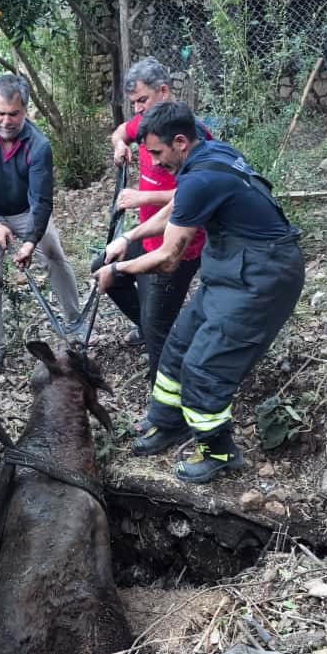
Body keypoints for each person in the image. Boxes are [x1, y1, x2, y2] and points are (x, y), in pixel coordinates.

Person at [94, 101, 304, 484]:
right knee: (177, 346)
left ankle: (219, 452)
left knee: (205, 368)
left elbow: (168, 258)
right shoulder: (206, 153)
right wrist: (128, 238)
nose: (154, 162)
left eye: (157, 152)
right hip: (231, 270)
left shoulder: (202, 177)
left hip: (264, 277)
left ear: (180, 142)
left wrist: (117, 270)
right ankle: (169, 422)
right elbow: (178, 207)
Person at [100, 57, 211, 412]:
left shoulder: (191, 137)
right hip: (146, 234)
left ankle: (164, 411)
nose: (137, 108)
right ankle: (152, 327)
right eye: (133, 102)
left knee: (158, 331)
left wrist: (142, 197)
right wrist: (120, 144)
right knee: (103, 269)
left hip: (177, 244)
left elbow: (194, 192)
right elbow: (121, 131)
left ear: (164, 91)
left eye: (142, 100)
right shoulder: (146, 123)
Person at [0, 73, 83, 375]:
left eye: (14, 114)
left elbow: (41, 202)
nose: (6, 120)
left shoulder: (39, 145)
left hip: (26, 210)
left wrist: (29, 242)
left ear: (26, 110)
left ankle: (75, 325)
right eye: (0, 113)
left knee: (53, 254)